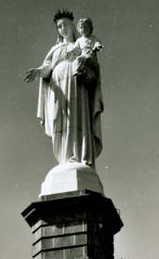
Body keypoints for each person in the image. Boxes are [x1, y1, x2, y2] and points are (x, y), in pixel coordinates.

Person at [24, 9, 103, 167]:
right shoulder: (55, 49)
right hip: (58, 87)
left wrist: (86, 71)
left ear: (72, 26)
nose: (62, 28)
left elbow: (92, 65)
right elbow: (47, 67)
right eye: (59, 26)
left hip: (77, 86)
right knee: (59, 120)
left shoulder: (80, 45)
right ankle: (65, 158)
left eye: (65, 24)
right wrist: (37, 72)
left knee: (78, 119)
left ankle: (79, 157)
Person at [72, 17, 104, 84]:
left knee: (86, 60)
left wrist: (97, 46)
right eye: (81, 28)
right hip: (83, 55)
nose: (83, 29)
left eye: (86, 27)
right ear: (79, 29)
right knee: (78, 60)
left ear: (90, 28)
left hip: (90, 54)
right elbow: (75, 48)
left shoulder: (92, 37)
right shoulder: (79, 40)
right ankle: (80, 73)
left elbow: (97, 43)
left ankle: (90, 75)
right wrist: (71, 52)